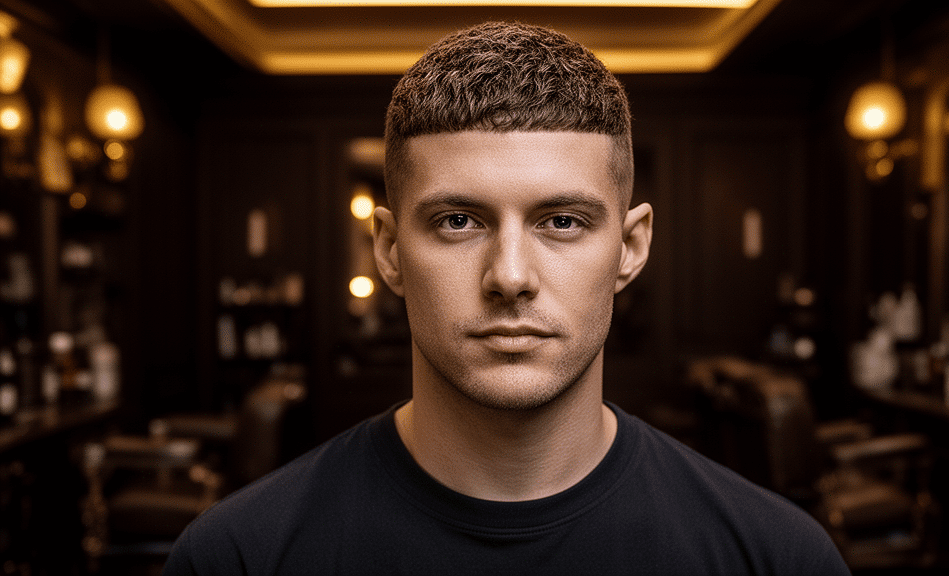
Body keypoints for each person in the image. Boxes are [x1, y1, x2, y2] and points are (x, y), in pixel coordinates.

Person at [163, 21, 850, 576]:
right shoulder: (238, 557)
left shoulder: (780, 557)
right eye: (458, 221)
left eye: (562, 222)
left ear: (631, 248)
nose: (511, 275)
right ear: (390, 249)